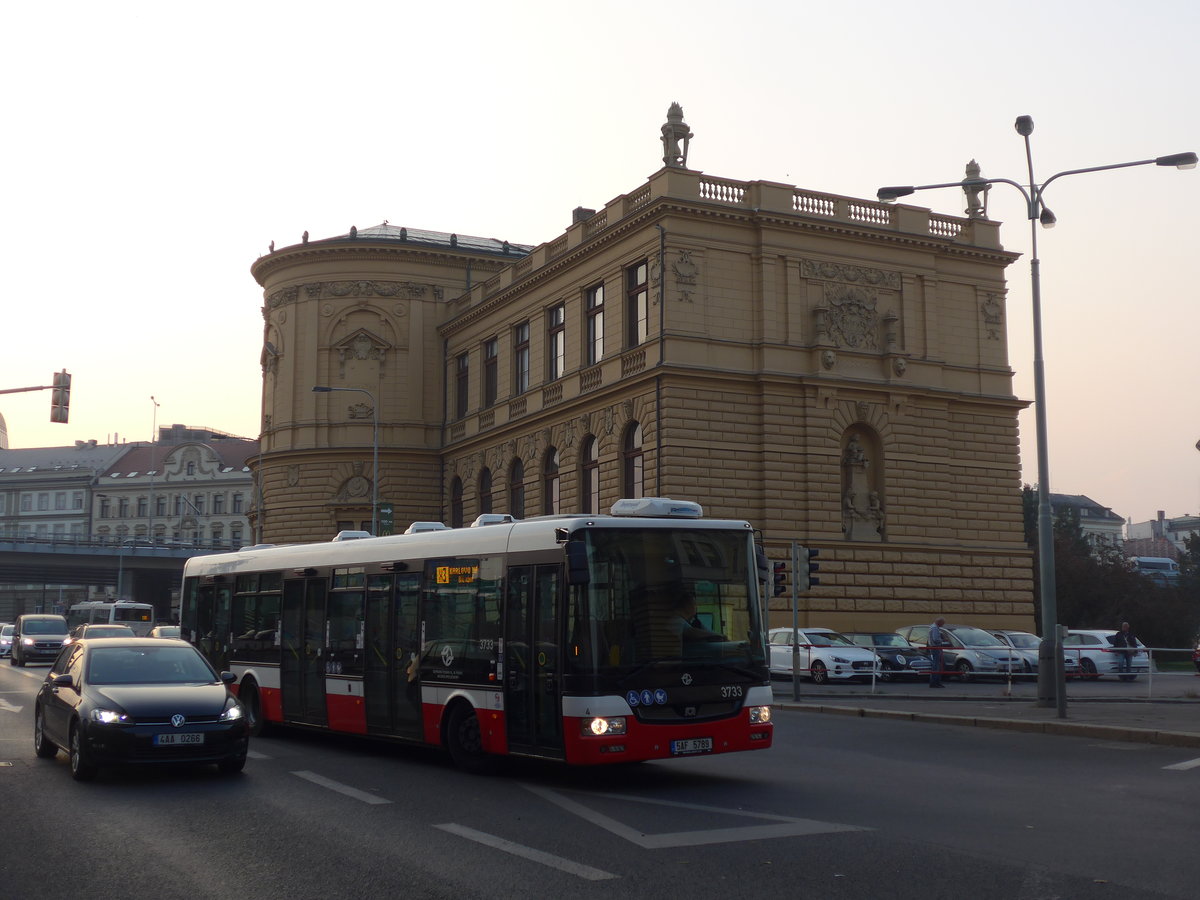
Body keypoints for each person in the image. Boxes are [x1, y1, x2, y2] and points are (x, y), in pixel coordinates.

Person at [928, 617, 950, 688]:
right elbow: (936, 639)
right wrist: (943, 640)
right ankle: (935, 682)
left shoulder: (933, 627)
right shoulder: (935, 628)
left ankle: (935, 682)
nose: (943, 625)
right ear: (939, 622)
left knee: (936, 665)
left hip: (934, 648)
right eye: (942, 623)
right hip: (936, 648)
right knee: (936, 665)